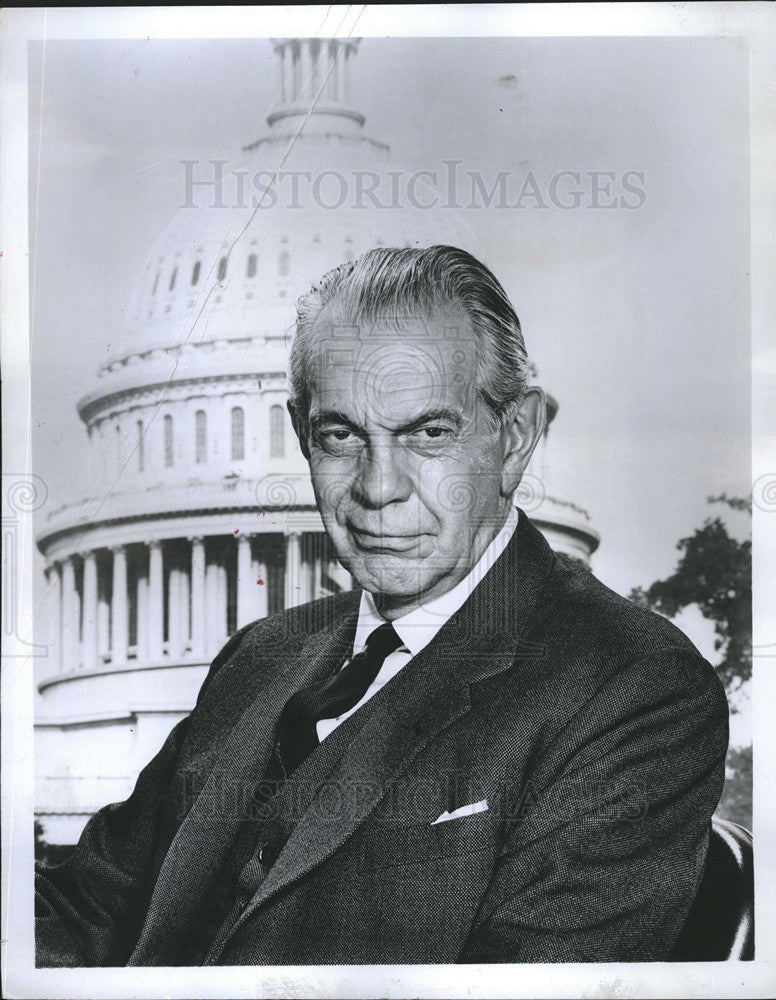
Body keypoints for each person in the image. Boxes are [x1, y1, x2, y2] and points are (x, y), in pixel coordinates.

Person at [35, 245, 729, 966]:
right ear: (302, 434)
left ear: (514, 438)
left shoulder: (631, 689)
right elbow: (87, 907)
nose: (377, 487)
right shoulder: (260, 657)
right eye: (340, 435)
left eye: (428, 433)